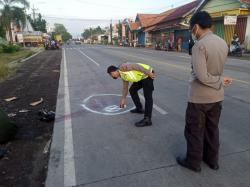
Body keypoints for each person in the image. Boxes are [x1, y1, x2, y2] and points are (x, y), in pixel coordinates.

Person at [176, 11, 232, 172]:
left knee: (194, 131)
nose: (192, 32)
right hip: (217, 97)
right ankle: (212, 161)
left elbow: (202, 77)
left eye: (191, 28)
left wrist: (220, 80)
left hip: (199, 99)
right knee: (212, 130)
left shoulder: (199, 46)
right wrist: (220, 81)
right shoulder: (222, 42)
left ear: (196, 26)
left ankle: (193, 162)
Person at [107, 63, 155, 127]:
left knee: (148, 97)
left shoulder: (123, 68)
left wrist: (148, 73)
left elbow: (136, 66)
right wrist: (123, 99)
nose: (111, 76)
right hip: (141, 77)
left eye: (111, 74)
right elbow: (125, 88)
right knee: (132, 90)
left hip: (147, 74)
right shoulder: (123, 76)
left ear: (114, 71)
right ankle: (139, 109)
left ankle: (147, 120)